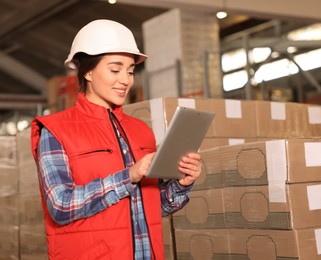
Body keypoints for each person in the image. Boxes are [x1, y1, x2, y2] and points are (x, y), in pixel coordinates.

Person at [31, 19, 202, 259]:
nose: (126, 80)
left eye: (131, 71)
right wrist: (128, 176)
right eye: (115, 69)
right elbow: (60, 206)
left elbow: (151, 207)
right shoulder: (56, 130)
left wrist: (181, 185)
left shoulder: (140, 131)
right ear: (88, 71)